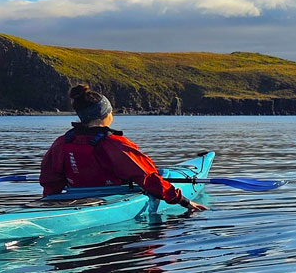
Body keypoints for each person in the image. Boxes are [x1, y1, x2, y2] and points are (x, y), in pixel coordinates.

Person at [39, 84, 207, 212]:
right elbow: (148, 178)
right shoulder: (114, 144)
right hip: (113, 197)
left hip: (74, 197)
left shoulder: (62, 142)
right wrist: (183, 201)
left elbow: (50, 180)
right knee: (160, 176)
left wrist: (50, 201)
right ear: (104, 115)